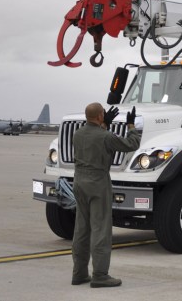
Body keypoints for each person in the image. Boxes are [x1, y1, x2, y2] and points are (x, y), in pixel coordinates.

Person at [71, 103, 141, 288]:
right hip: (97, 182)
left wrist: (104, 124)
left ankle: (79, 273)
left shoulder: (77, 134)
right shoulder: (105, 136)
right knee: (101, 229)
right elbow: (132, 144)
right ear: (100, 116)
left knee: (81, 228)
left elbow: (94, 140)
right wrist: (131, 126)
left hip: (79, 180)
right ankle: (100, 275)